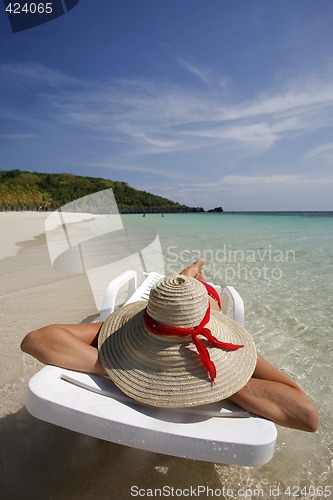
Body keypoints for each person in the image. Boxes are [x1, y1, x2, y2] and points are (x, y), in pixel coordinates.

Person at [21, 259, 318, 432]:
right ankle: (191, 279)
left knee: (201, 296)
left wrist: (220, 378)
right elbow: (35, 341)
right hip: (184, 318)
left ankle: (192, 277)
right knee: (191, 296)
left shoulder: (224, 343)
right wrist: (123, 366)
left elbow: (307, 416)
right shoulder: (126, 330)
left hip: (203, 317)